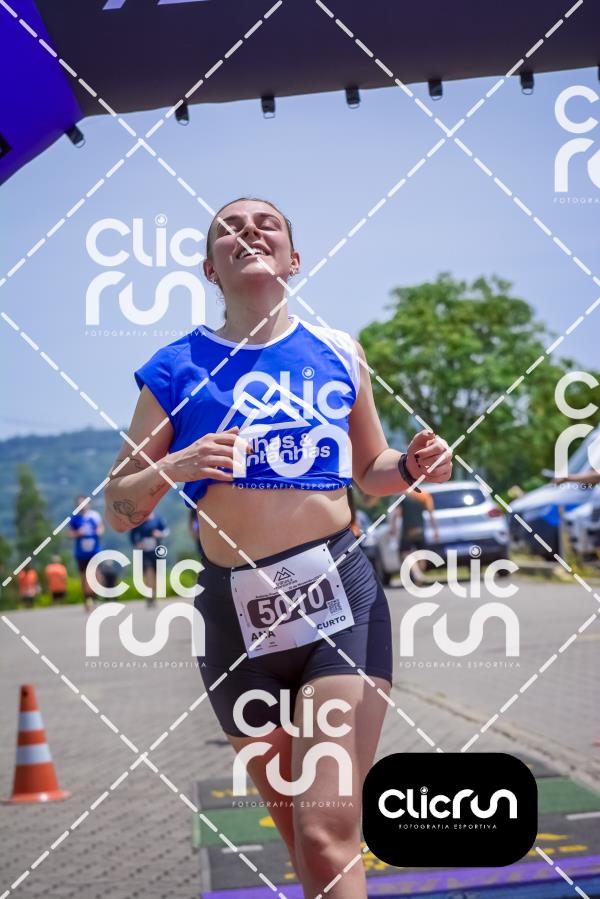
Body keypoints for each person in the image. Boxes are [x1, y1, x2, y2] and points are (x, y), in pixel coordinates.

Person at [104, 197, 453, 897]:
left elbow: (370, 468)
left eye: (266, 224)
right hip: (233, 619)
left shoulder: (339, 351)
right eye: (228, 229)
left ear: (294, 259)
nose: (248, 232)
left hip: (338, 599)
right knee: (302, 839)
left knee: (326, 832)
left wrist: (414, 465)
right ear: (210, 269)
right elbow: (119, 506)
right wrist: (176, 464)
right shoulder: (174, 368)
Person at [391, 489, 440, 586]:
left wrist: (393, 528)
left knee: (405, 553)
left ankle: (417, 573)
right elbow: (431, 513)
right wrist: (435, 530)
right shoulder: (424, 495)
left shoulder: (402, 496)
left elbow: (396, 514)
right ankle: (420, 574)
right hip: (420, 530)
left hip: (408, 531)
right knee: (422, 554)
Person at [68, 497, 104, 612]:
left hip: (95, 551)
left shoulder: (94, 516)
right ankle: (87, 599)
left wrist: (99, 532)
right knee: (84, 577)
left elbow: (101, 528)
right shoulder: (75, 519)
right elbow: (69, 534)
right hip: (81, 553)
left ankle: (95, 597)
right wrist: (78, 533)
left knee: (96, 575)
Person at [129, 513, 169, 607]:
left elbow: (166, 531)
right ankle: (150, 595)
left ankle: (154, 593)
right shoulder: (139, 522)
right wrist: (137, 544)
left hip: (157, 551)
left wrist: (160, 534)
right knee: (148, 572)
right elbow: (132, 535)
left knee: (157, 574)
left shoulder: (158, 520)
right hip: (145, 552)